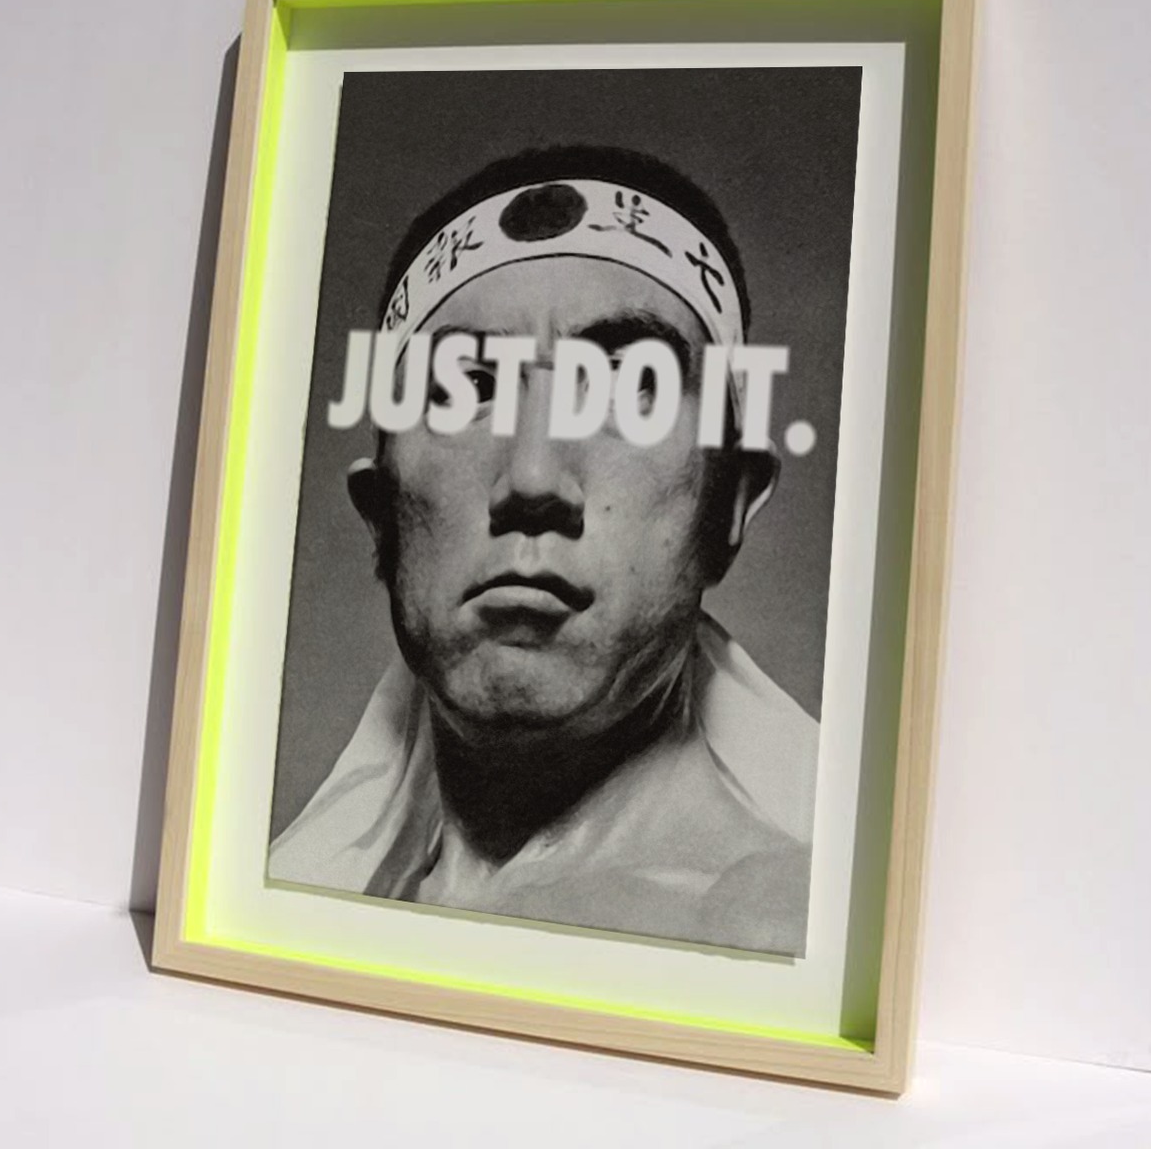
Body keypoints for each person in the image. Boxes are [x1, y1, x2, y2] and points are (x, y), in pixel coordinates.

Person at [269, 146, 819, 957]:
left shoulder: (774, 938)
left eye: (629, 389)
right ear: (382, 511)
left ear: (727, 504)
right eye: (467, 387)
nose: (532, 479)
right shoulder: (293, 897)